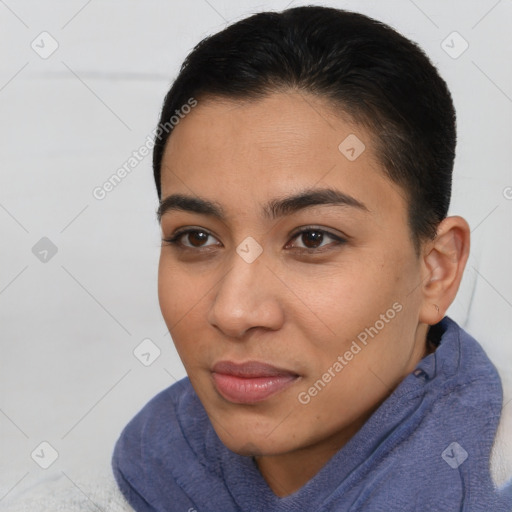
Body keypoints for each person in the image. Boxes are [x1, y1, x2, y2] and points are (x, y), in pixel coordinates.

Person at [111, 5, 512, 511]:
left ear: (436, 270)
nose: (233, 311)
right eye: (195, 238)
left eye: (313, 239)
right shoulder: (147, 465)